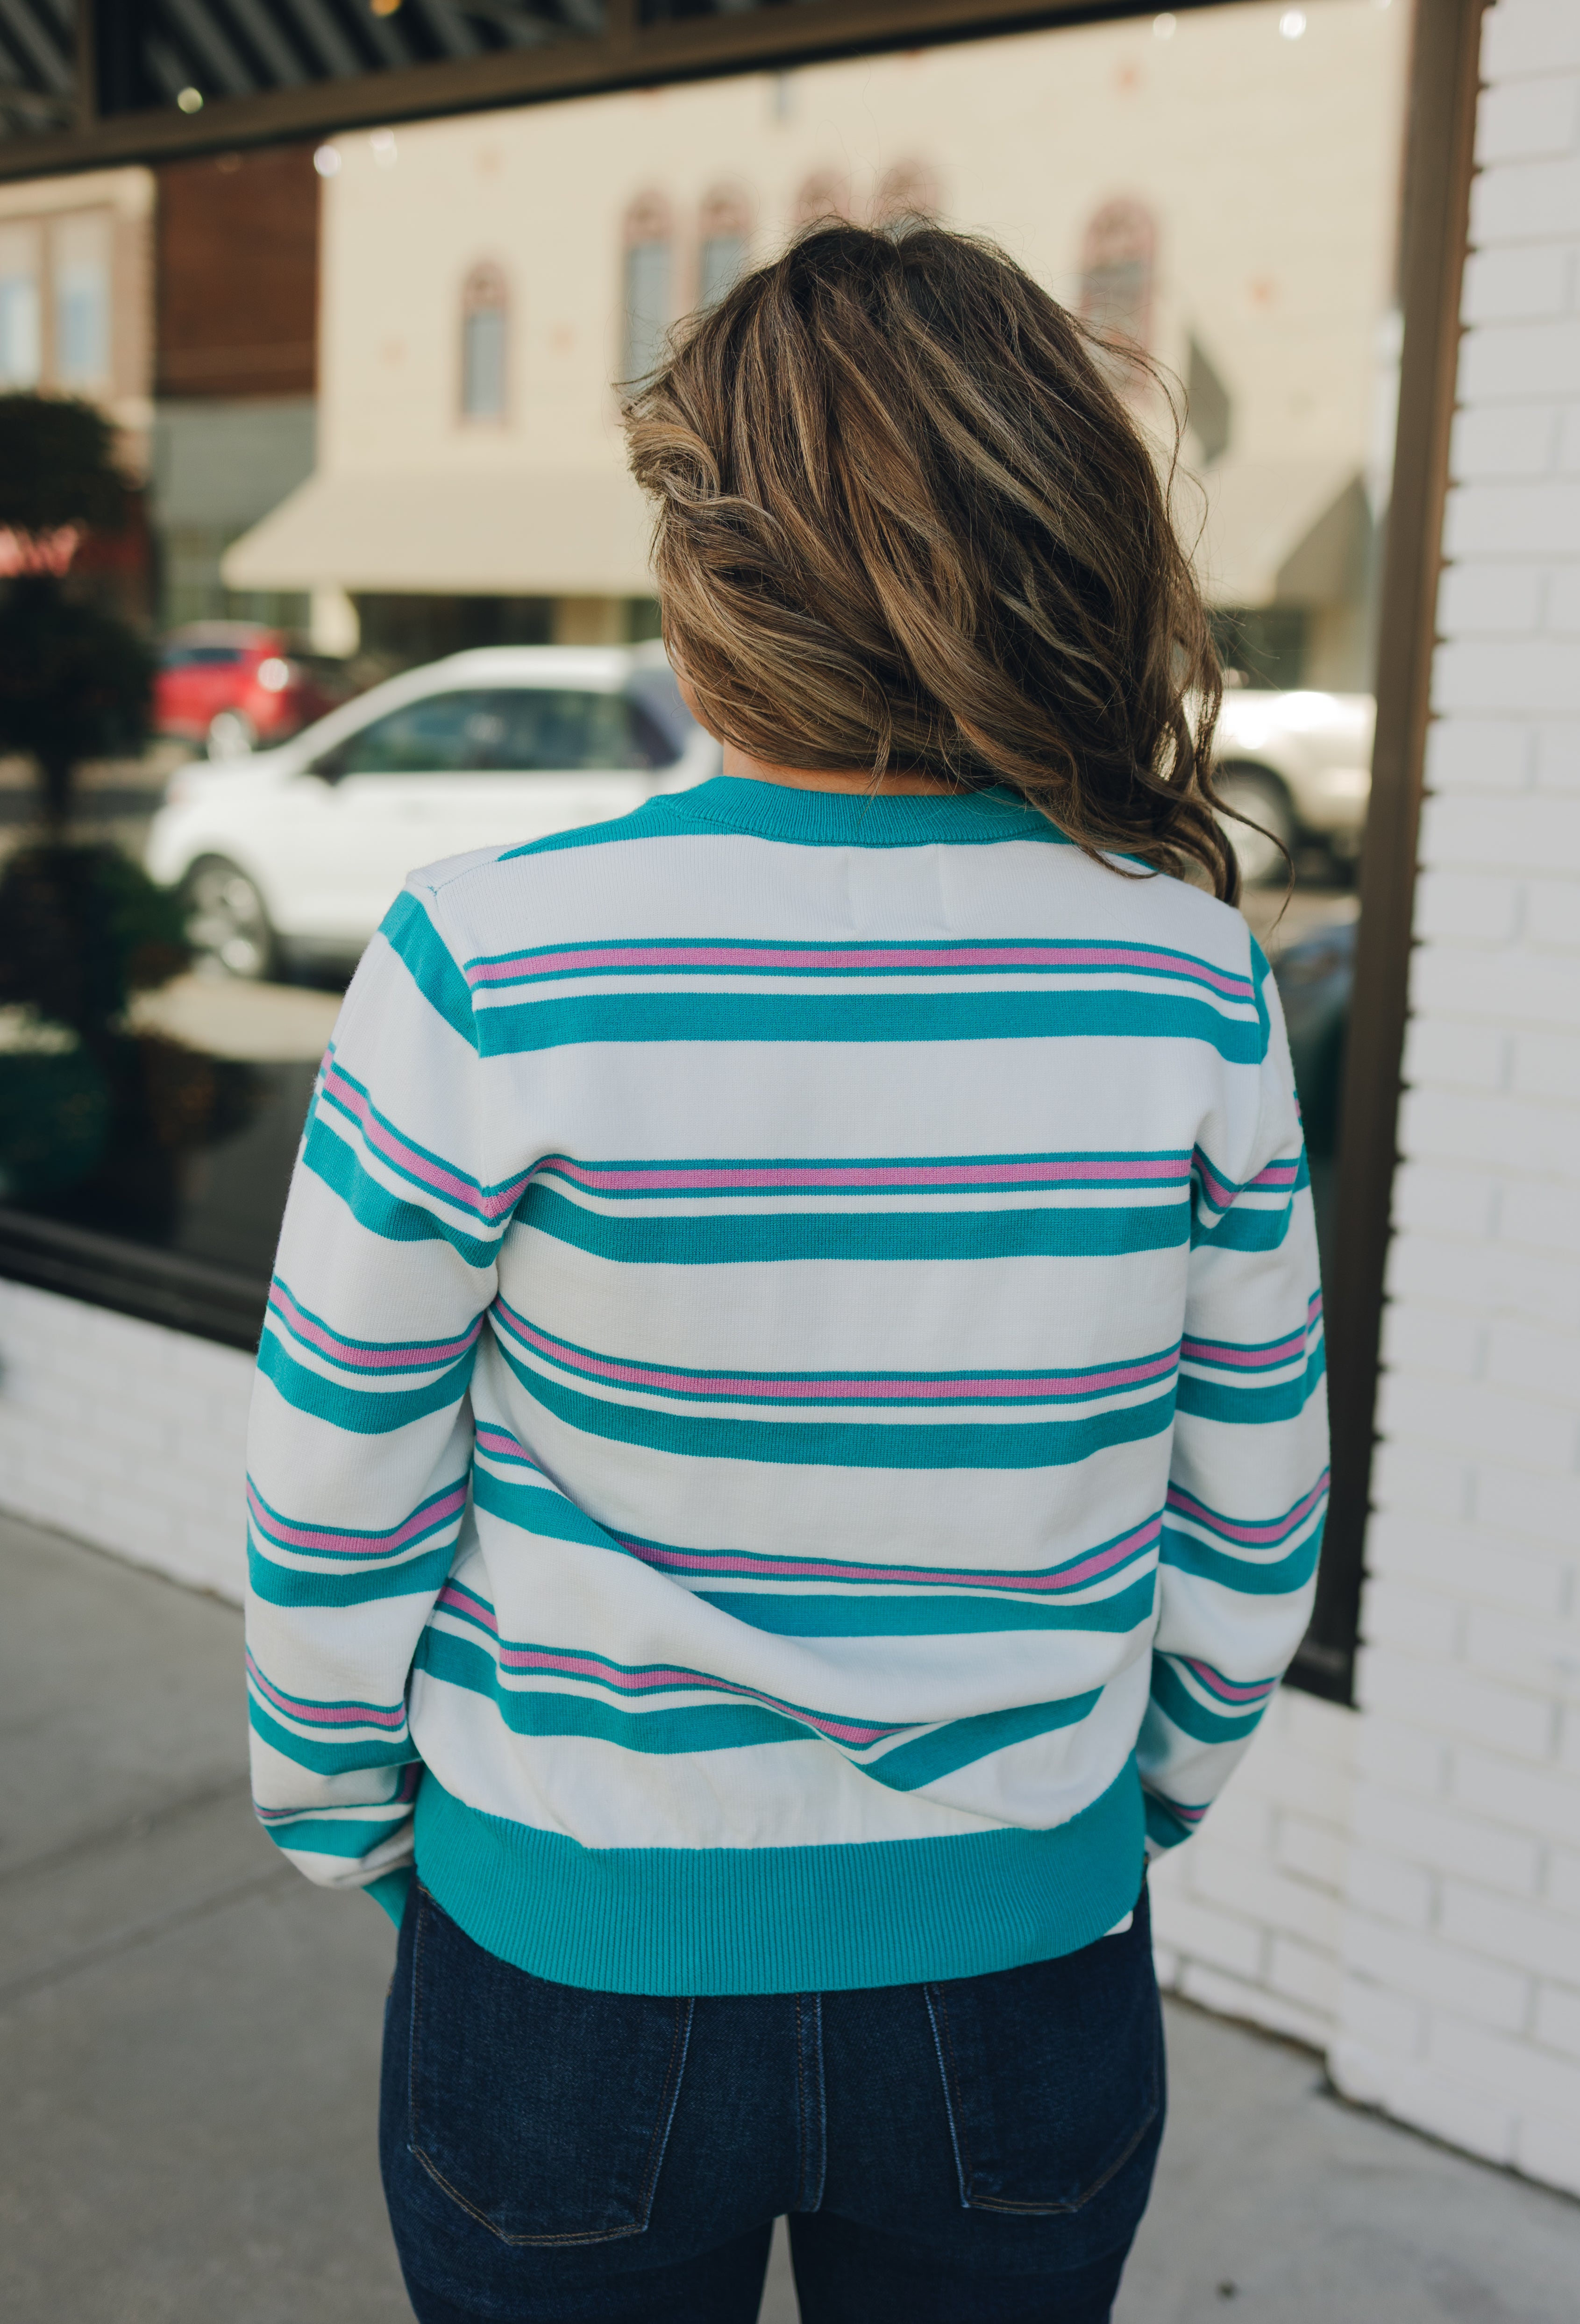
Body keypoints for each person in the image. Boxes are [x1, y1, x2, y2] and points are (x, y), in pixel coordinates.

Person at [245, 222, 1327, 2324]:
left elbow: (337, 1478)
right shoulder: (1192, 970)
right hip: (1024, 1965)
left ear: (710, 567)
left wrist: (349, 1814)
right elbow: (1252, 1504)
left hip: (565, 1957)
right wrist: (1130, 1805)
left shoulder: (488, 957)